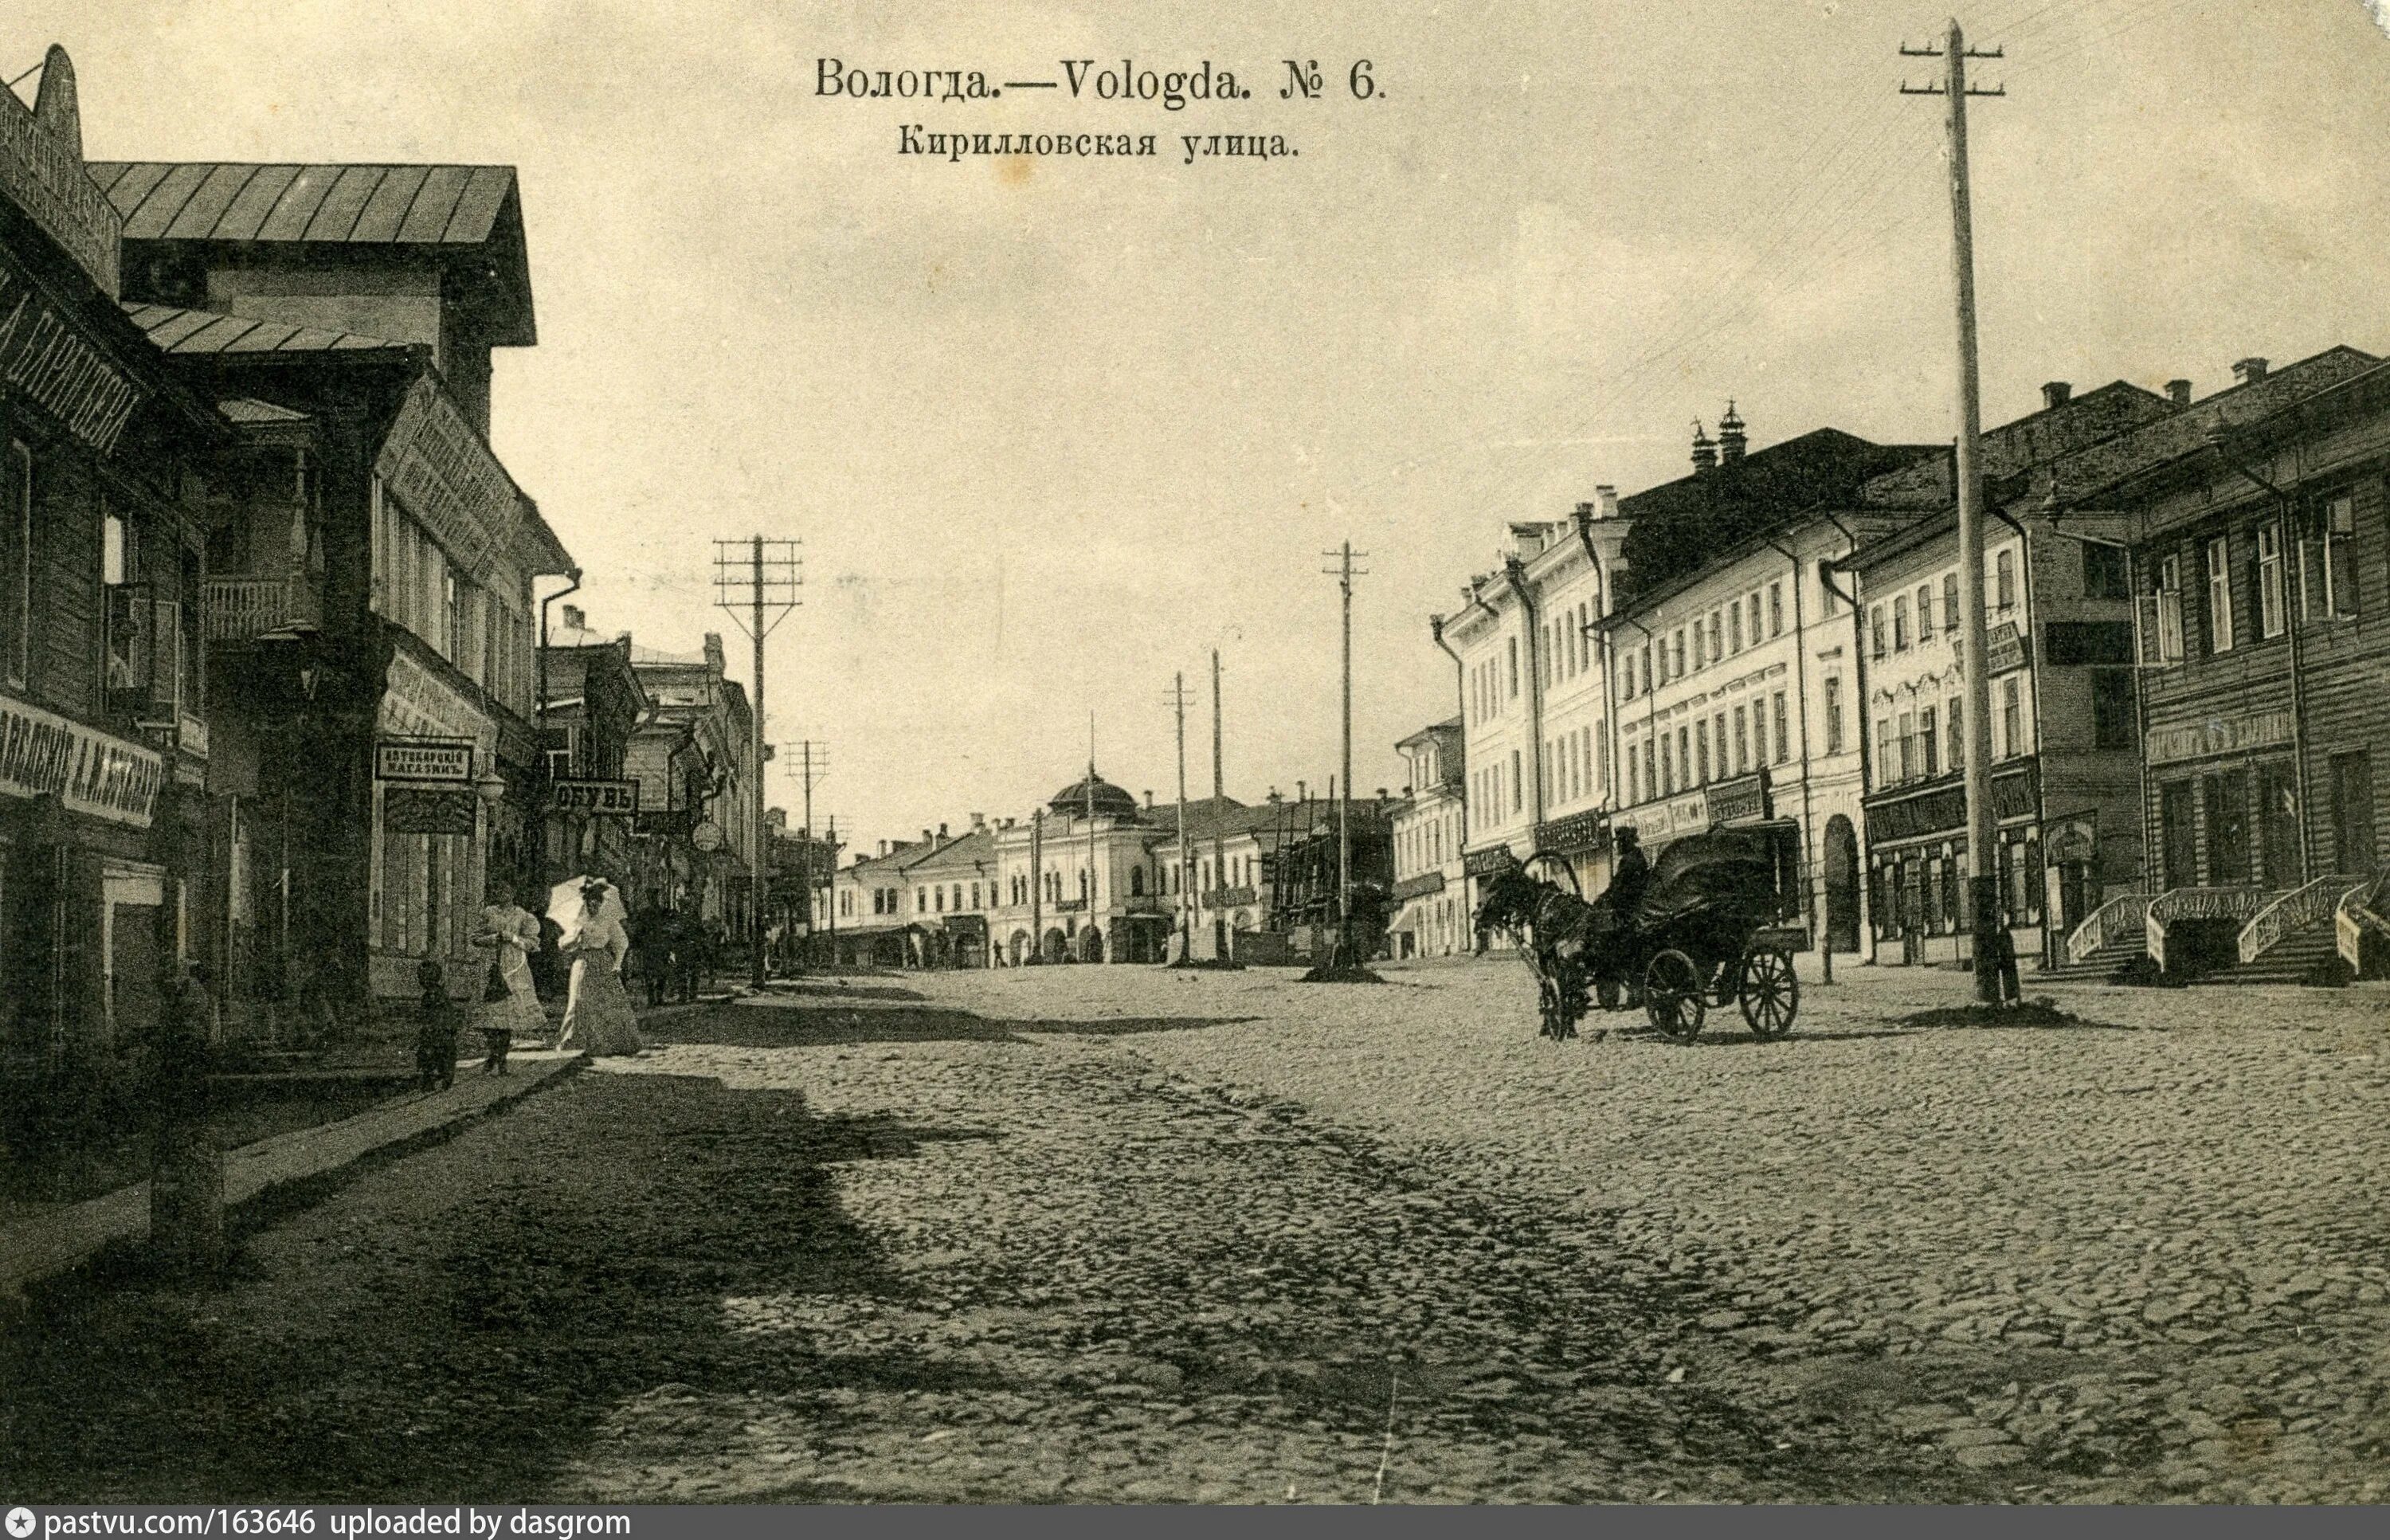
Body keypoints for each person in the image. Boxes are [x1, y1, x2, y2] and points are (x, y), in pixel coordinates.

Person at [555, 878, 645, 1056]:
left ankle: (612, 1044)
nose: (593, 907)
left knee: (608, 1002)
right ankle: (576, 1042)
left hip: (603, 962)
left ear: (602, 904)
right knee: (579, 1001)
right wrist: (575, 937)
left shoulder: (609, 921)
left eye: (597, 904)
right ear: (586, 902)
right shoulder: (578, 921)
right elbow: (563, 945)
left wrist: (618, 964)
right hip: (583, 962)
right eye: (590, 903)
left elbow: (622, 943)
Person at [474, 881, 549, 1048]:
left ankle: (507, 1042)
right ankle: (495, 1042)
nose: (502, 894)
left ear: (513, 893)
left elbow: (531, 944)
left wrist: (513, 938)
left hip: (514, 961)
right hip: (492, 959)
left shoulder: (522, 915)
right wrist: (493, 938)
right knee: (493, 999)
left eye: (506, 891)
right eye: (498, 891)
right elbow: (475, 937)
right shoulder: (489, 912)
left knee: (512, 997)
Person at [413, 959, 460, 1091]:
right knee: (439, 1056)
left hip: (437, 1031)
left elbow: (430, 1015)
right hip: (439, 1031)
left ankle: (434, 1081)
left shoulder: (432, 996)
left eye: (423, 978)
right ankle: (437, 1080)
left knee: (434, 1055)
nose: (421, 981)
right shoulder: (438, 994)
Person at [1607, 828, 1651, 925]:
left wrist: (1606, 896)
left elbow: (1619, 883)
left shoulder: (1629, 860)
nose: (1618, 846)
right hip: (1636, 900)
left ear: (1625, 843)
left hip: (1631, 903)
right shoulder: (1637, 855)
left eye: (1619, 842)